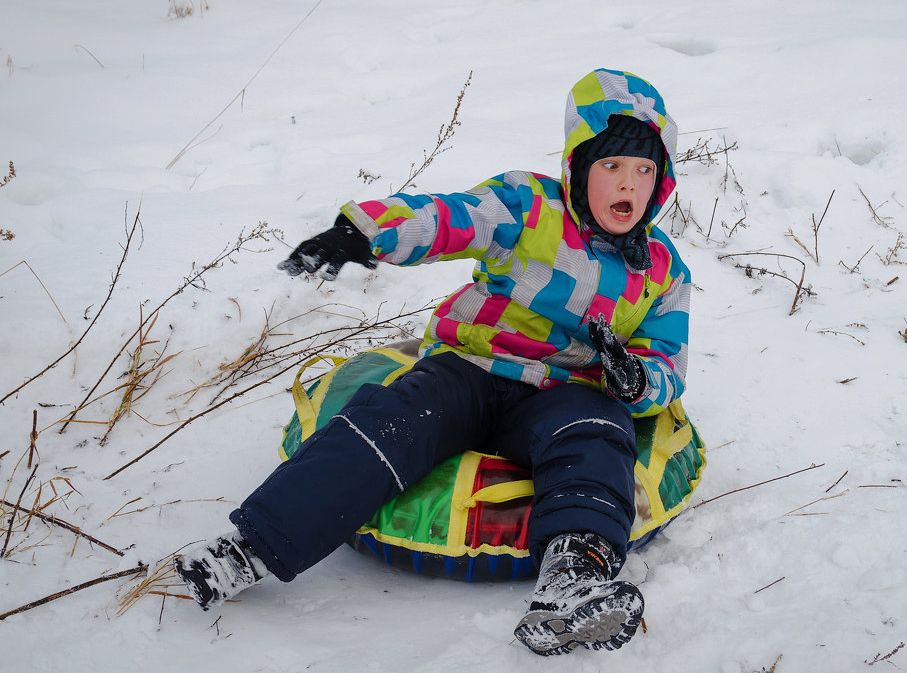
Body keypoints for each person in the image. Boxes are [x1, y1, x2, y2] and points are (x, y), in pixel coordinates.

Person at [174, 69, 692, 656]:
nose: (630, 184)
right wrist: (365, 234)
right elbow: (452, 218)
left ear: (662, 181)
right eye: (613, 167)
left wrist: (636, 379)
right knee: (393, 420)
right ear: (578, 166)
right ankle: (249, 546)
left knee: (598, 436)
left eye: (646, 170)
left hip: (568, 389)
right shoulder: (529, 208)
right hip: (472, 365)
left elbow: (666, 359)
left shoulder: (664, 271)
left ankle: (572, 582)